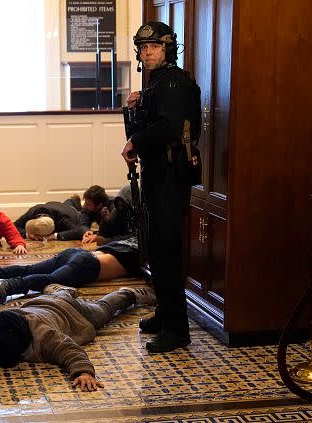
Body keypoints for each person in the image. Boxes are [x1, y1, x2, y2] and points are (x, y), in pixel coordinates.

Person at [0, 285, 156, 391]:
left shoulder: (43, 336)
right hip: (38, 303)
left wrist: (83, 372)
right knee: (61, 293)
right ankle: (59, 289)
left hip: (73, 314)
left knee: (104, 310)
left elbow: (70, 351)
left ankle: (128, 293)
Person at [121, 22, 201, 353]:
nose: (148, 52)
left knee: (167, 253)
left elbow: (168, 128)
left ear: (168, 48)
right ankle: (164, 314)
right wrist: (131, 110)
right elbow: (144, 127)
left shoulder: (174, 82)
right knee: (156, 249)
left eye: (154, 46)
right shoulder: (155, 85)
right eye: (143, 47)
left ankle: (177, 329)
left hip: (171, 176)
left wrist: (135, 139)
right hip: (157, 174)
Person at [0, 237, 140, 305]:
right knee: (51, 280)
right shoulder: (143, 254)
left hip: (76, 253)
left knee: (29, 268)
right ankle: (8, 286)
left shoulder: (128, 241)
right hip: (88, 264)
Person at [13, 200, 89, 241]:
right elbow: (13, 226)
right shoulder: (32, 212)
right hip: (55, 205)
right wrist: (29, 235)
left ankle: (74, 201)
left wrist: (54, 236)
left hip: (72, 210)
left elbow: (79, 231)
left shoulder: (62, 218)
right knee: (67, 202)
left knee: (79, 210)